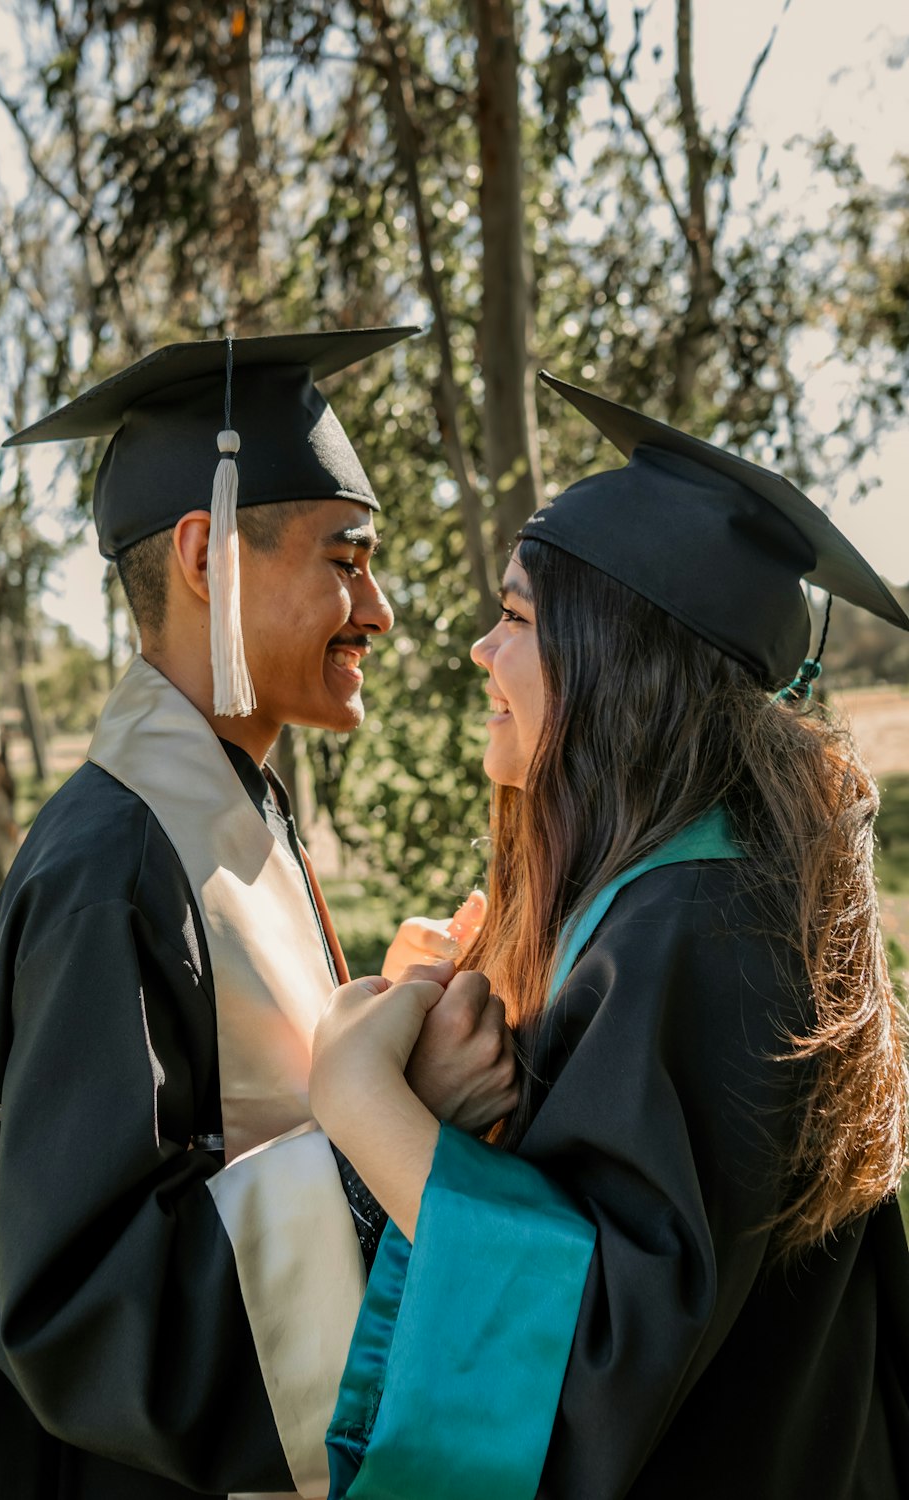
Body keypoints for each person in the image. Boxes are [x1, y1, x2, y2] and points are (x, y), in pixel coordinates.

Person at [0, 330, 516, 1500]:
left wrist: (378, 1023)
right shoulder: (113, 869)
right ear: (206, 556)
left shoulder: (226, 812)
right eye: (348, 559)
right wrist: (381, 1134)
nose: (377, 611)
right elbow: (81, 1317)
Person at [309, 376, 909, 1499]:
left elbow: (586, 1344)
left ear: (621, 666)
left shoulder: (697, 928)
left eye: (520, 618)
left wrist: (362, 1100)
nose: (481, 653)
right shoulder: (704, 895)